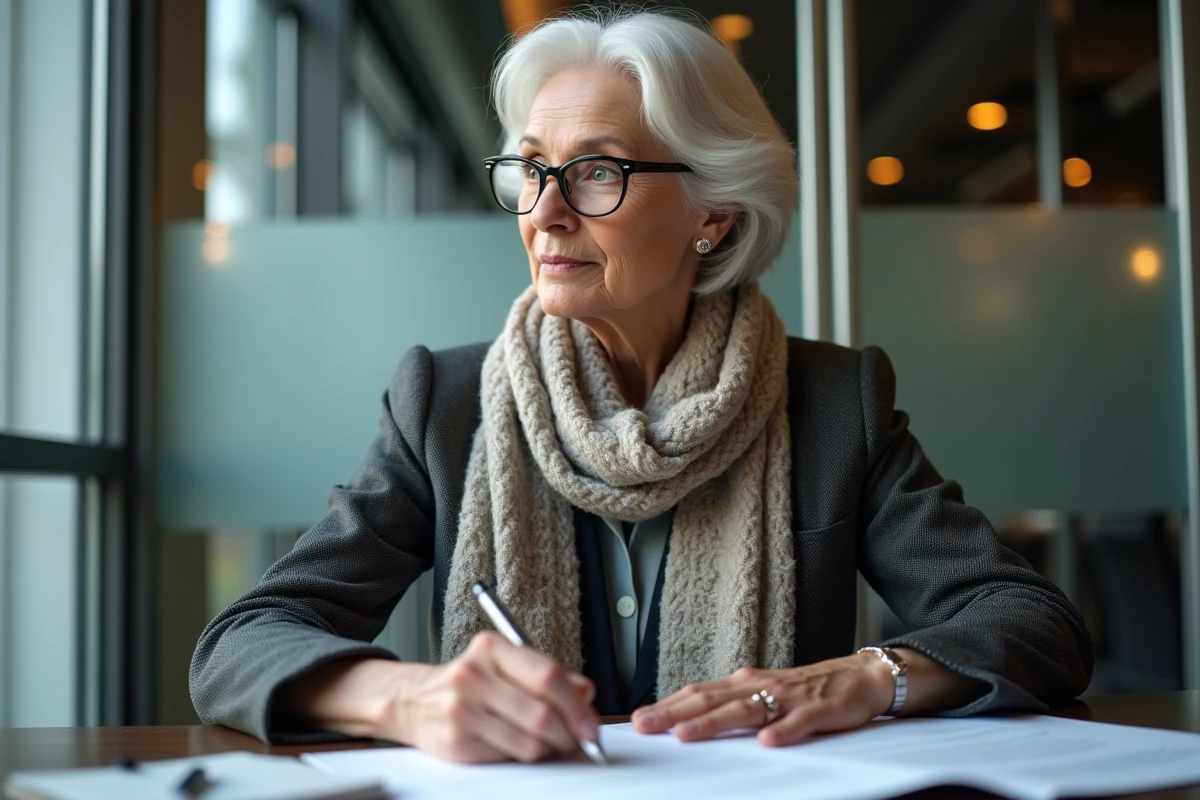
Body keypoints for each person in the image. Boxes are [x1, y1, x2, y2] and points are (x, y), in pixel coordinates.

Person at [189, 8, 1093, 764]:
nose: (544, 212)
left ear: (713, 214)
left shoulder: (831, 402)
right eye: (533, 169)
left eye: (595, 172)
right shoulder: (447, 401)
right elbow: (242, 642)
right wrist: (407, 699)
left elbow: (1031, 621)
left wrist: (869, 677)